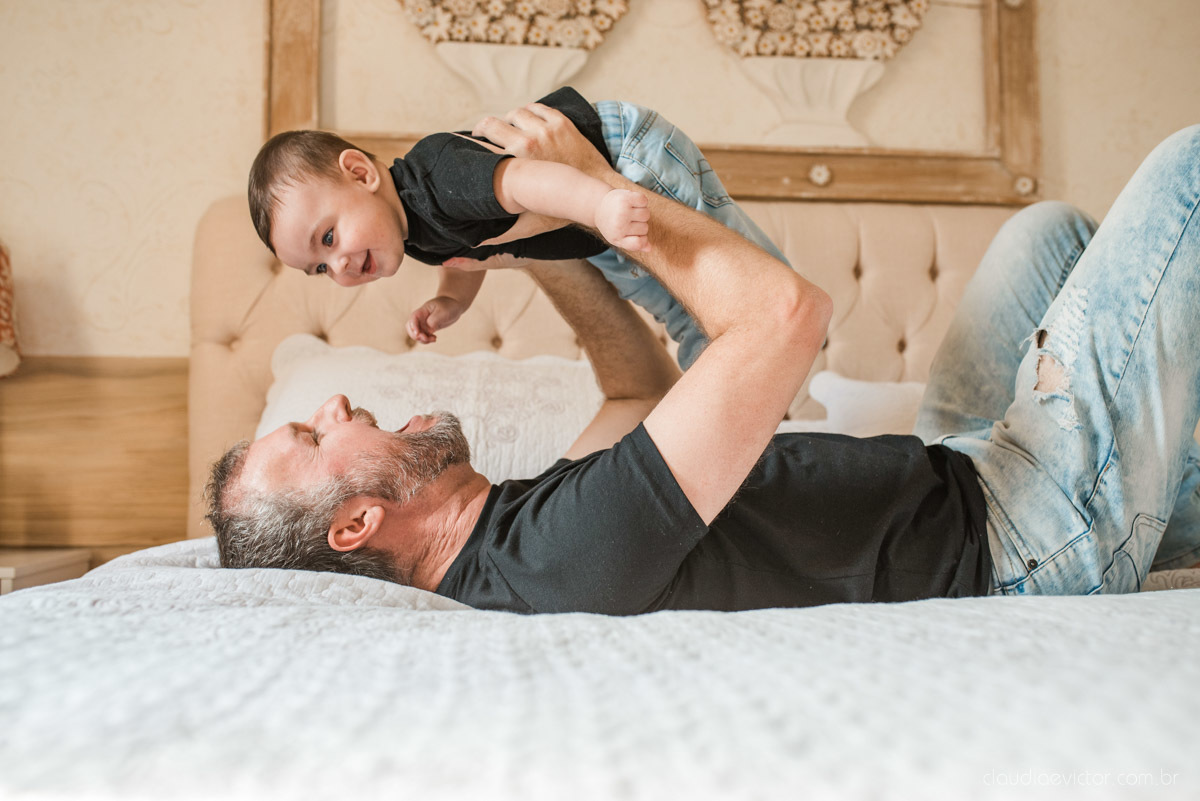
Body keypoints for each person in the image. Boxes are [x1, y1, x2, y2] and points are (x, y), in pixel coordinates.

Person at [209, 110, 1200, 613]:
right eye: (309, 432)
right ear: (357, 525)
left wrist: (519, 228)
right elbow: (785, 316)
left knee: (1047, 230)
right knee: (1186, 169)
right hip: (1023, 534)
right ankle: (1124, 502)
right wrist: (599, 192)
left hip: (946, 464)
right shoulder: (557, 555)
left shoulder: (510, 523)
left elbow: (635, 384)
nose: (333, 399)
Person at [247, 87, 789, 370]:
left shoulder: (436, 176)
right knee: (683, 308)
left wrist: (599, 203)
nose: (337, 265)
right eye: (319, 268)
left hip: (623, 156)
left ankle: (771, 307)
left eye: (328, 238)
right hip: (597, 222)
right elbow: (469, 255)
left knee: (720, 271)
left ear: (361, 173)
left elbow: (526, 179)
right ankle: (726, 373)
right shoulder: (413, 235)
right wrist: (452, 303)